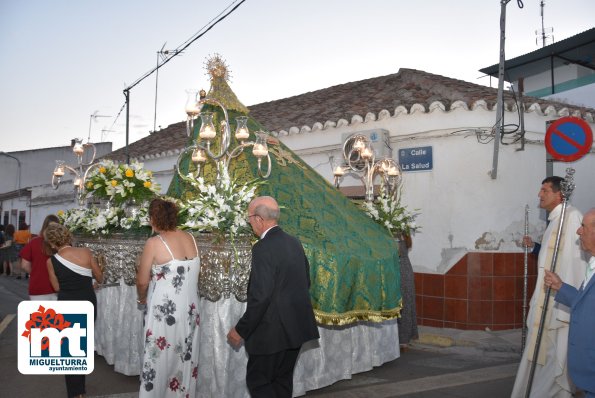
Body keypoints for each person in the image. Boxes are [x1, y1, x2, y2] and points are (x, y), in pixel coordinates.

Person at [227, 196, 320, 398]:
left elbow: (260, 297)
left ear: (259, 219)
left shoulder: (262, 248)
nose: (249, 223)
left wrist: (240, 329)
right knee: (282, 381)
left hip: (271, 333)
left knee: (259, 382)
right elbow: (306, 281)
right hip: (295, 329)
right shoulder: (294, 242)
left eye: (249, 218)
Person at [511, 176, 588, 398]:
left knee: (556, 357)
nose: (539, 194)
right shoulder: (555, 220)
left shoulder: (572, 217)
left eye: (545, 190)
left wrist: (567, 300)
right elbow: (552, 256)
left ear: (558, 194)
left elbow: (576, 262)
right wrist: (534, 246)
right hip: (547, 297)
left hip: (560, 304)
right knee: (542, 355)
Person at [136, 198, 200, 398]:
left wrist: (141, 299)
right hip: (190, 311)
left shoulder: (154, 243)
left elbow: (142, 281)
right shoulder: (191, 238)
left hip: (164, 313)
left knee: (159, 359)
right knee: (184, 358)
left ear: (154, 219)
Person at [45, 222, 103, 398]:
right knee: (83, 345)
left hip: (67, 304)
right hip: (87, 302)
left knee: (70, 350)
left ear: (52, 243)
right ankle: (81, 389)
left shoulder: (51, 262)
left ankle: (76, 392)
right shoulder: (86, 252)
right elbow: (100, 277)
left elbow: (56, 288)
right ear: (68, 236)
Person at [544, 208, 595, 398]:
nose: (578, 231)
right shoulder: (593, 264)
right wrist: (561, 287)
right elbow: (587, 305)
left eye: (583, 227)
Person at [20, 214, 60, 300]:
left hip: (38, 287)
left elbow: (24, 265)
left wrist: (35, 272)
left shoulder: (33, 243)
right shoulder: (61, 245)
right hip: (58, 288)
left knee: (40, 313)